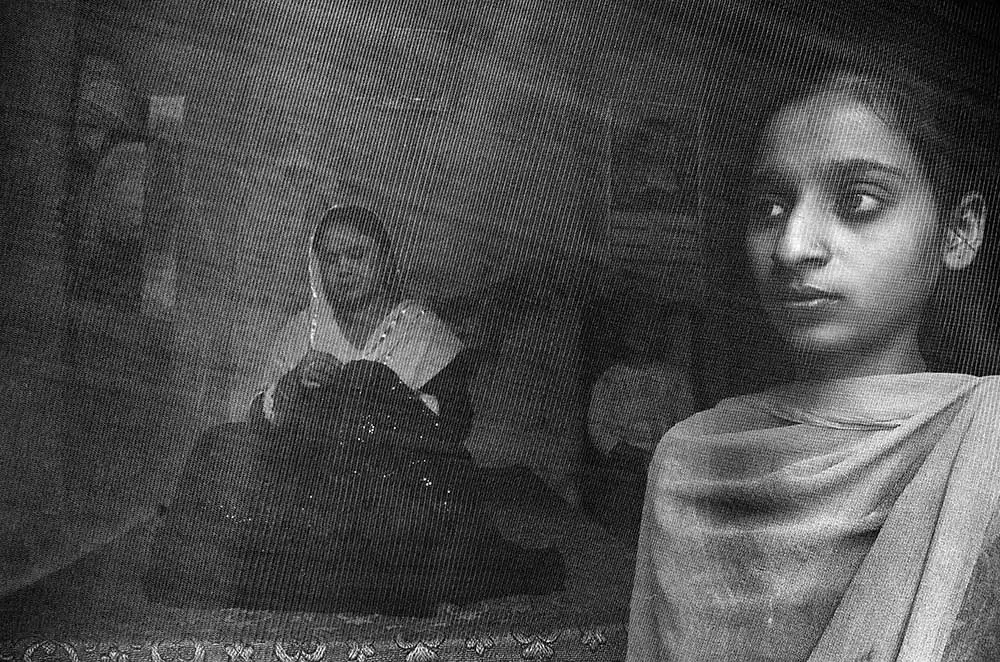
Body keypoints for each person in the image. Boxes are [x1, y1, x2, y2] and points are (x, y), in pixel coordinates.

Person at [627, 61, 999, 661]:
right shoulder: (691, 462)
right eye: (771, 207)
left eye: (858, 201)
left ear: (959, 231)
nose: (793, 246)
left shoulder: (987, 443)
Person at [145, 205, 564, 616]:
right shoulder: (303, 330)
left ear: (384, 259)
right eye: (331, 260)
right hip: (313, 481)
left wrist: (367, 393)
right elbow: (260, 418)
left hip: (392, 489)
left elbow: (450, 431)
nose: (344, 268)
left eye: (356, 255)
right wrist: (295, 384)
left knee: (365, 380)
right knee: (220, 445)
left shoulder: (421, 331)